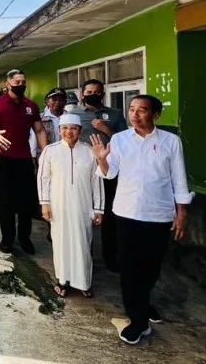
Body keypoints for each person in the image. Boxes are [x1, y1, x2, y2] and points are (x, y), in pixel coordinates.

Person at [91, 94, 193, 345]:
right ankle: (138, 321)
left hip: (158, 214)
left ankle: (143, 304)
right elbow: (109, 173)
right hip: (126, 213)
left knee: (151, 266)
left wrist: (182, 213)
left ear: (155, 114)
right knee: (129, 267)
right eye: (131, 109)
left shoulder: (171, 141)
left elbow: (179, 179)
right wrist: (102, 158)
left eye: (142, 110)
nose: (134, 115)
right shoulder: (120, 139)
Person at [38, 114, 104, 298]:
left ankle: (84, 282)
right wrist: (45, 204)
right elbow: (43, 180)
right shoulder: (50, 151)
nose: (69, 132)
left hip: (83, 207)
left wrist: (98, 208)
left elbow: (96, 182)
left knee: (83, 243)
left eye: (73, 128)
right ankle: (62, 281)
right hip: (58, 206)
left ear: (79, 131)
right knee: (60, 243)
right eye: (65, 128)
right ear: (59, 130)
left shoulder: (89, 151)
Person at [0, 69, 47, 254]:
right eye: (17, 82)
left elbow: (39, 130)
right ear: (7, 84)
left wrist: (46, 153)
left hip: (24, 159)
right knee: (6, 203)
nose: (21, 85)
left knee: (27, 204)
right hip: (2, 161)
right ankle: (7, 239)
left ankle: (24, 238)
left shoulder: (31, 106)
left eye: (23, 82)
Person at [70, 79, 129, 272]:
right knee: (82, 212)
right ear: (82, 93)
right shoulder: (74, 114)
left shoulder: (114, 114)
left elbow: (126, 141)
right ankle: (85, 256)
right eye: (89, 91)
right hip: (82, 171)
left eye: (97, 91)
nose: (92, 94)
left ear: (103, 94)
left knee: (109, 216)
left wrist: (106, 129)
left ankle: (110, 257)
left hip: (108, 171)